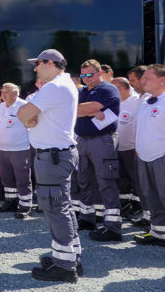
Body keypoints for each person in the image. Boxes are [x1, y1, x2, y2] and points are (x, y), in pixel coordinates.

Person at [17, 49, 81, 283]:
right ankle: (70, 256)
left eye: (38, 63)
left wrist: (28, 116)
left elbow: (24, 113)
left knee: (56, 207)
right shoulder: (62, 84)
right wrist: (29, 116)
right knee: (62, 206)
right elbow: (28, 116)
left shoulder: (54, 87)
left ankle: (65, 266)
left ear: (51, 63)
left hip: (53, 157)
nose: (35, 68)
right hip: (57, 155)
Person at [75, 59, 122, 242]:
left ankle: (112, 227)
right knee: (84, 180)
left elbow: (88, 108)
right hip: (83, 140)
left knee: (105, 181)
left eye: (90, 74)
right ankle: (87, 219)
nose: (87, 79)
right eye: (83, 75)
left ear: (99, 73)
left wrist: (87, 110)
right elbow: (73, 110)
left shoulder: (108, 89)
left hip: (102, 140)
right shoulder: (80, 91)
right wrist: (87, 110)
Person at [133, 64, 165, 247]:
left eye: (147, 78)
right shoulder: (145, 101)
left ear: (162, 80)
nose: (142, 81)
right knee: (151, 196)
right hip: (144, 156)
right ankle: (158, 232)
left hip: (161, 156)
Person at [0, 83, 32, 219]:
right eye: (2, 92)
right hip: (2, 149)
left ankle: (25, 206)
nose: (2, 95)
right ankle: (10, 202)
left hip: (19, 149)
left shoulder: (24, 105)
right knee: (7, 178)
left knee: (22, 179)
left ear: (15, 93)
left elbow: (32, 124)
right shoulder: (2, 106)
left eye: (6, 92)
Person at [111, 77, 143, 220]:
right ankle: (124, 203)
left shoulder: (136, 102)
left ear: (122, 88)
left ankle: (138, 205)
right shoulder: (115, 101)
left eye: (114, 88)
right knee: (122, 178)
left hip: (131, 147)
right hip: (117, 146)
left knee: (135, 177)